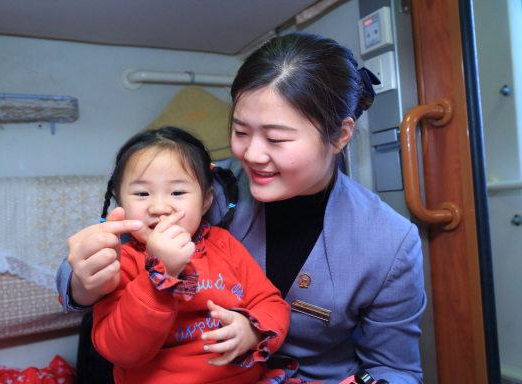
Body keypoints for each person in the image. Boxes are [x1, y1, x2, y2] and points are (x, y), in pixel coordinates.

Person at [57, 32, 426, 384]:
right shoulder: (203, 188)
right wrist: (80, 284)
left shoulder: (389, 241)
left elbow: (396, 368)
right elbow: (116, 254)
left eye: (277, 138)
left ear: (340, 135)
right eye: (241, 132)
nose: (251, 155)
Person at [88, 126, 295, 384]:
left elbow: (272, 303)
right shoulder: (121, 262)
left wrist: (253, 330)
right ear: (121, 203)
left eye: (177, 192)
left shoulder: (224, 244)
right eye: (142, 194)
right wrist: (160, 273)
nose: (160, 207)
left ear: (206, 201)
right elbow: (120, 351)